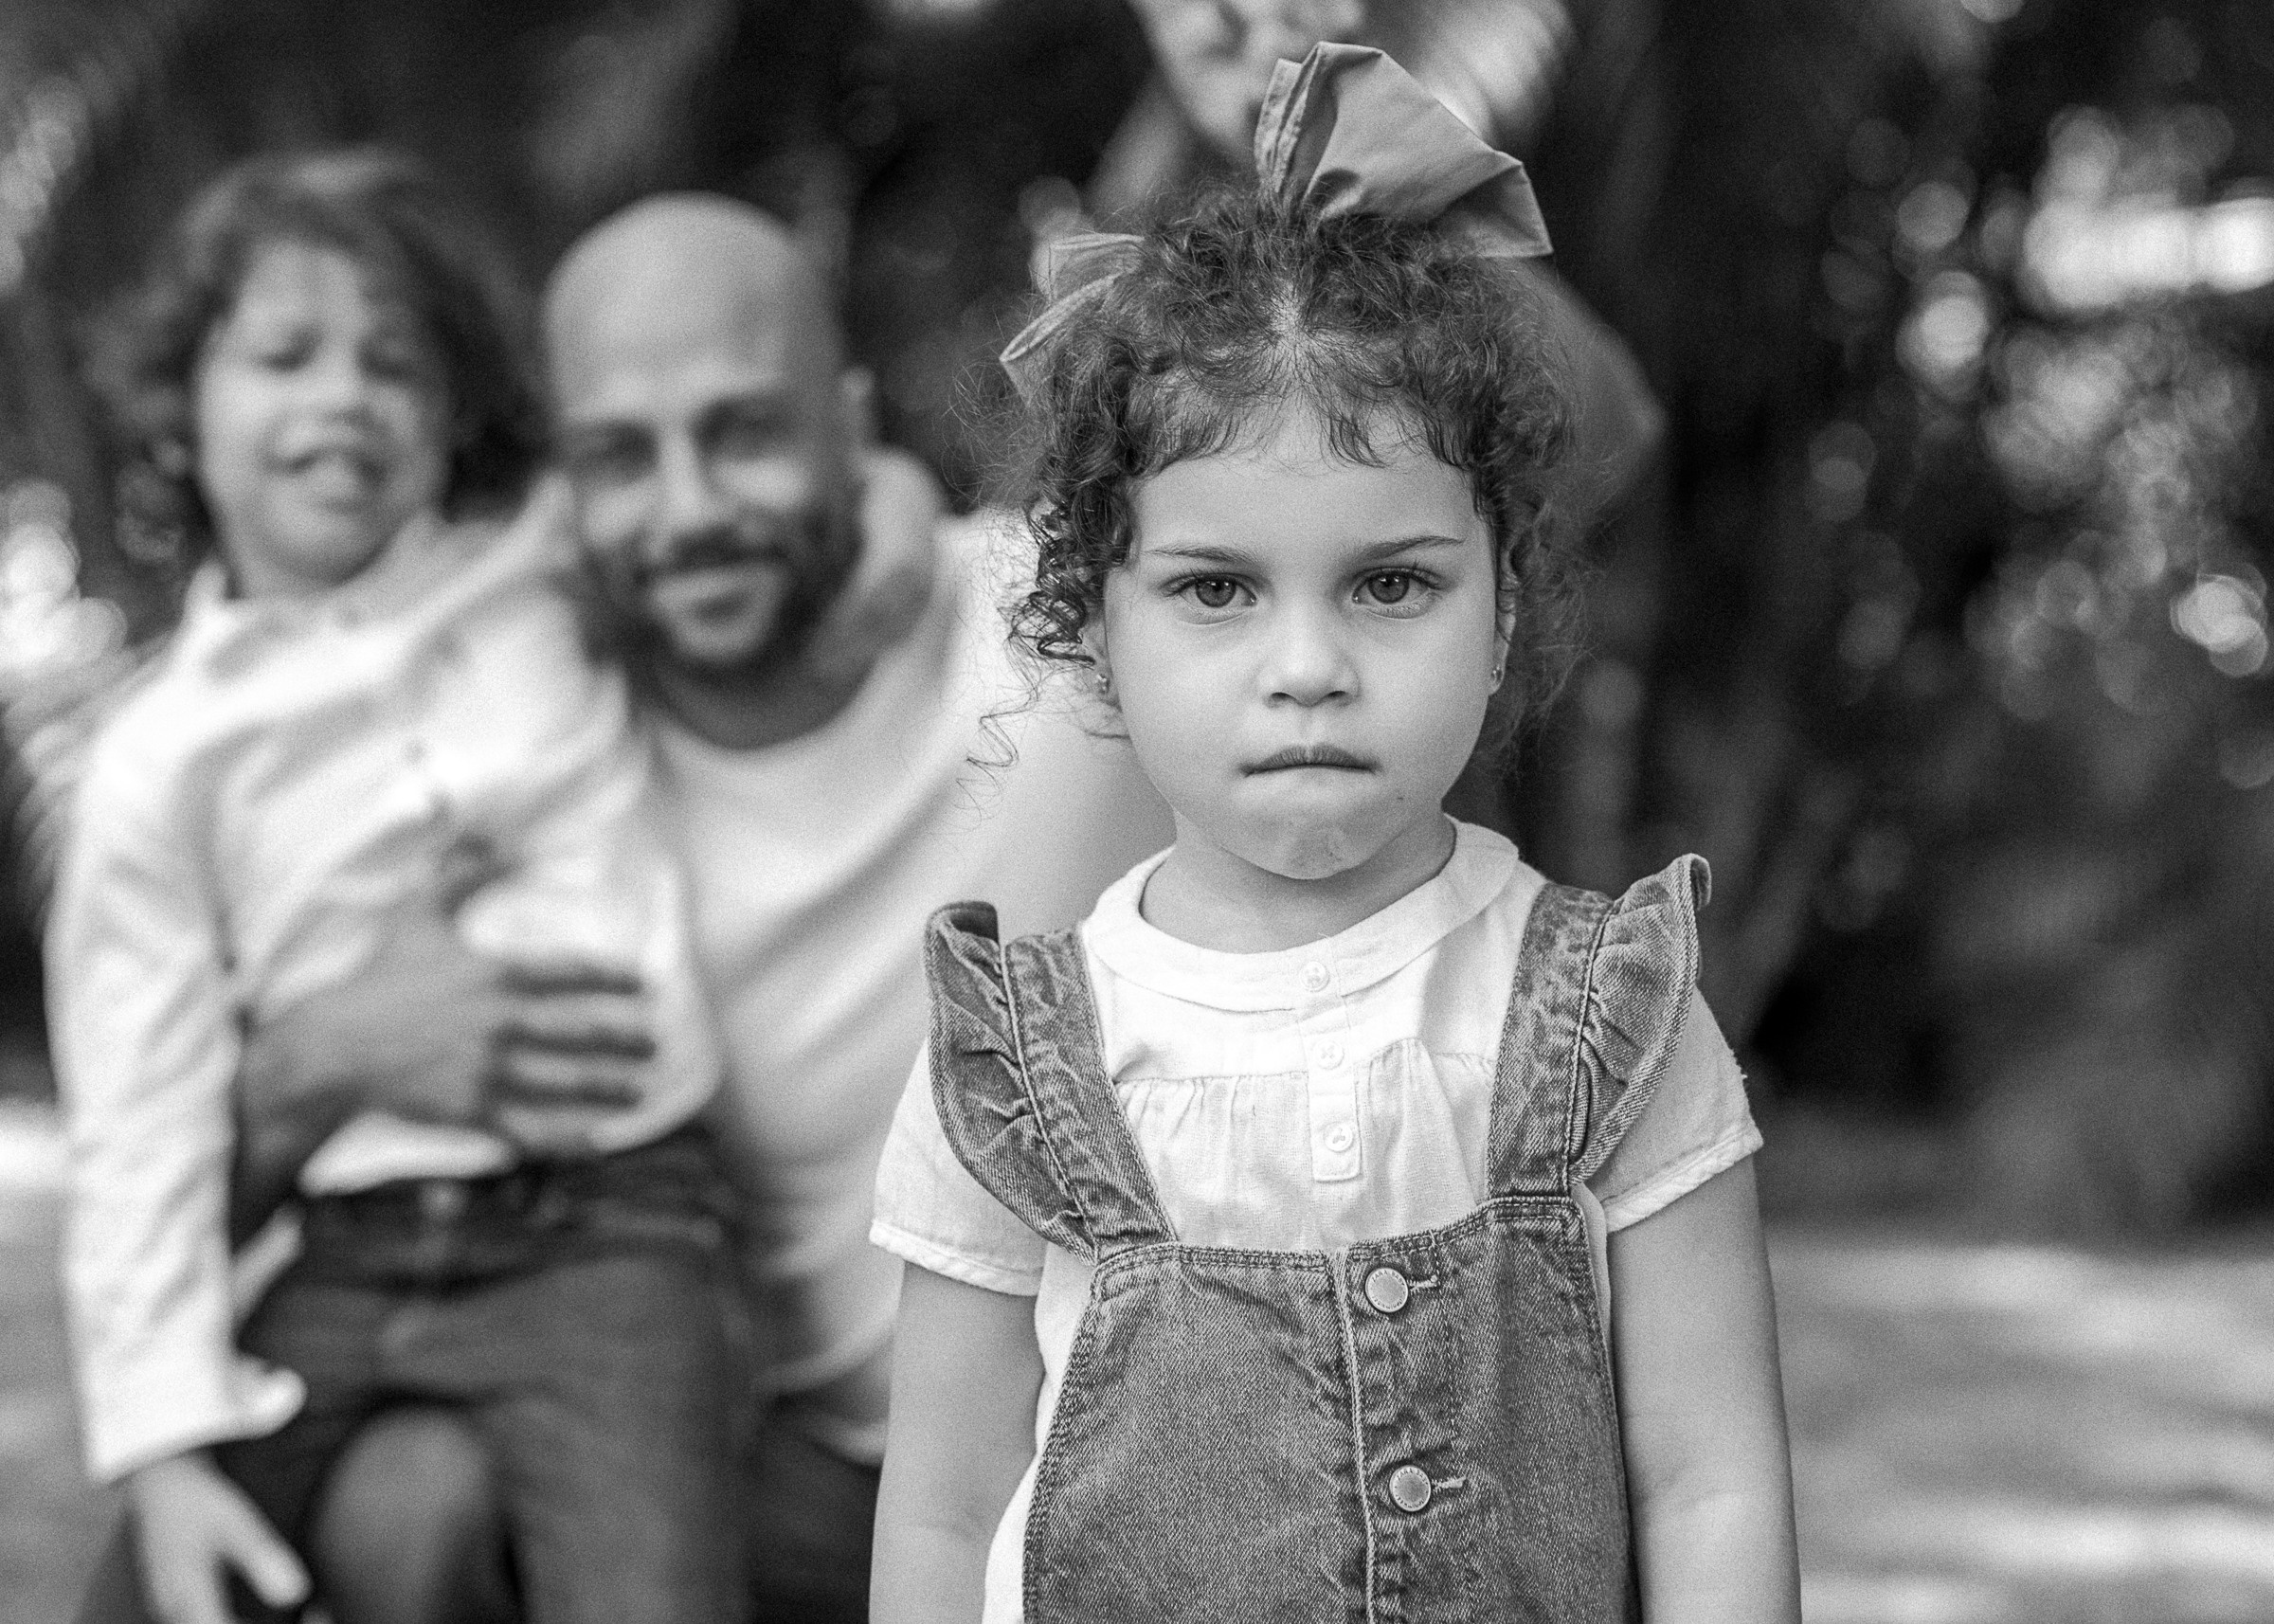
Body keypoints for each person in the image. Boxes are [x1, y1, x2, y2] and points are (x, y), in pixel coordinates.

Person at [869, 45, 1797, 1623]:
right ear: (1093, 629)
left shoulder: (1613, 1017)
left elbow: (1710, 1474)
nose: (1308, 664)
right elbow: (946, 1514)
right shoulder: (1018, 1060)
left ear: (1503, 612)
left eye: (1390, 583)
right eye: (1217, 589)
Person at [178, 194, 1173, 1624]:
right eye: (618, 457)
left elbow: (1558, 463)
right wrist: (316, 1062)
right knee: (407, 1504)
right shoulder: (527, 753)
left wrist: (1358, 148)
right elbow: (165, 1214)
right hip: (757, 1480)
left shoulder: (1065, 625)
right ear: (556, 487)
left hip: (1124, 1462)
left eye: (746, 429)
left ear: (851, 420)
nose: (692, 508)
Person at [53, 153, 746, 1624]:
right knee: (139, 1595)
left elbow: (704, 508)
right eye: (284, 355)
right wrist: (166, 1450)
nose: (343, 399)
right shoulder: (161, 763)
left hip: (616, 1237)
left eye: (396, 363)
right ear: (183, 406)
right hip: (350, 1256)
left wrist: (878, 498)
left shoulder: (541, 570)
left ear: (455, 419)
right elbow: (137, 1124)